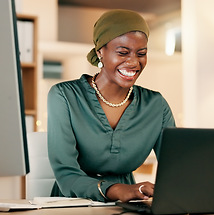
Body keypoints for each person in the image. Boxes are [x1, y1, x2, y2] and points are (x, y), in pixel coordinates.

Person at [47, 9, 176, 202]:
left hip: (129, 204)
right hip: (71, 204)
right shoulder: (64, 96)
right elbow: (66, 174)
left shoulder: (156, 105)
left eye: (141, 53)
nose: (133, 62)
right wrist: (117, 190)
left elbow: (177, 168)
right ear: (100, 51)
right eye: (123, 52)